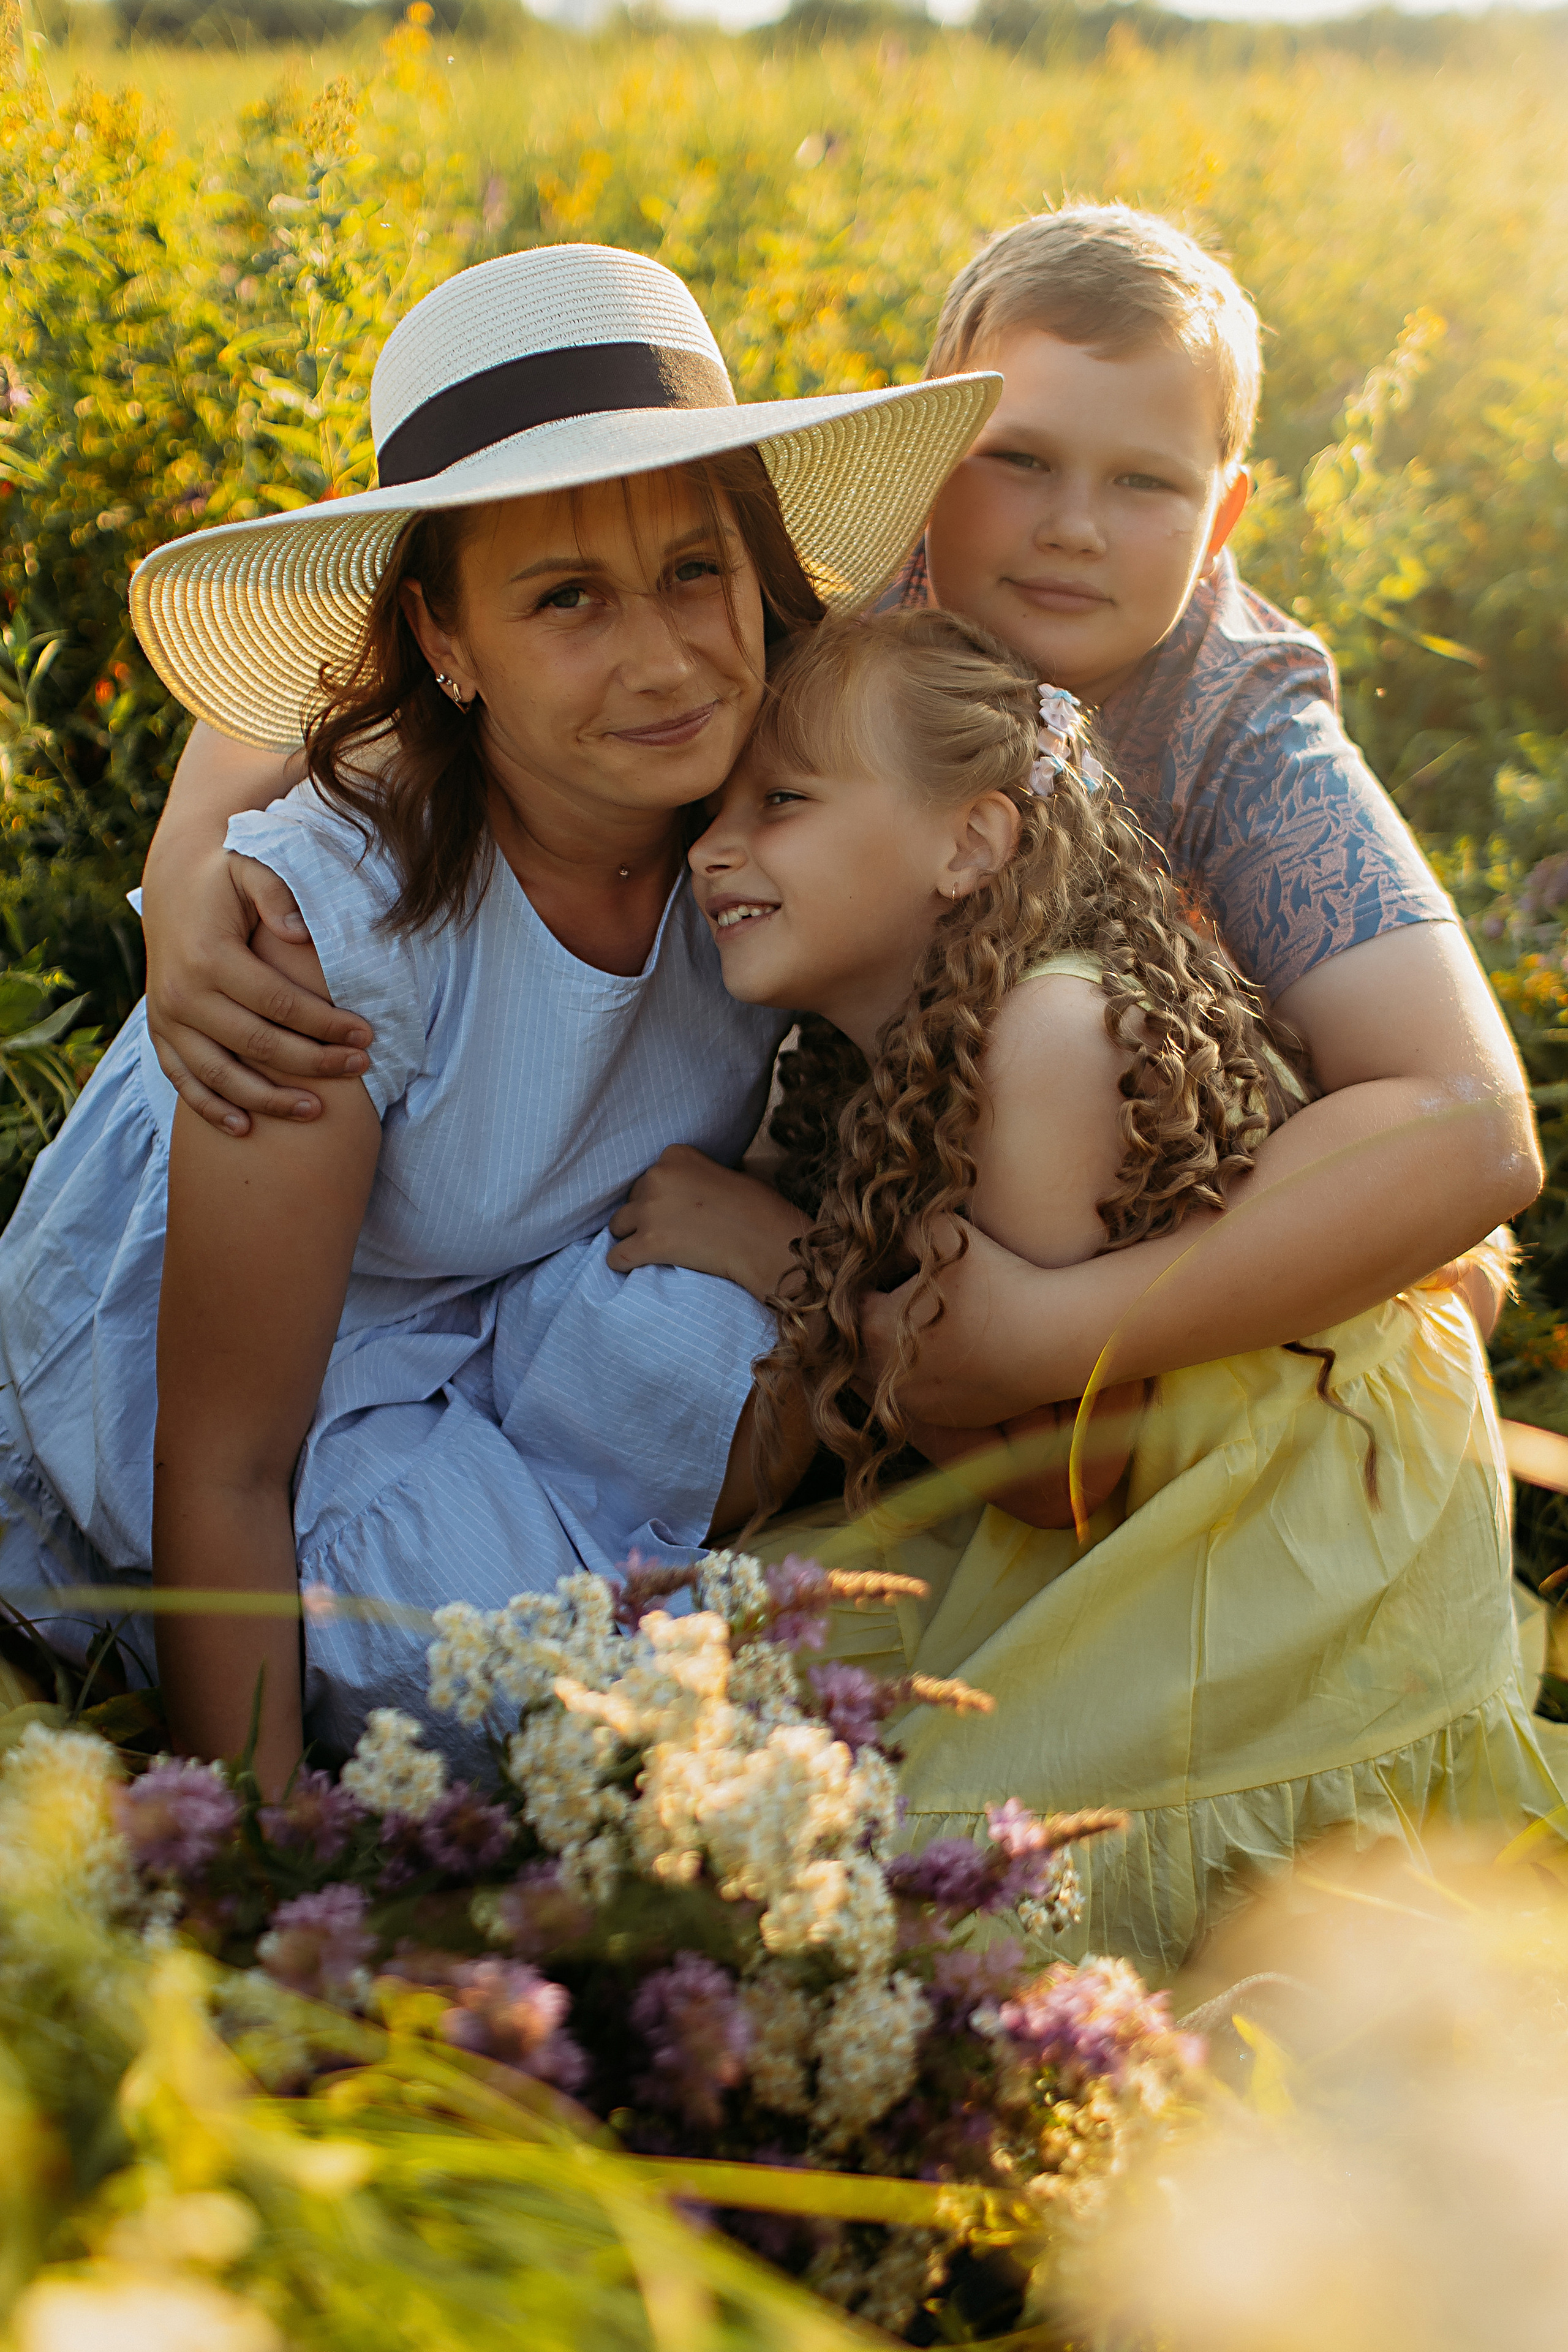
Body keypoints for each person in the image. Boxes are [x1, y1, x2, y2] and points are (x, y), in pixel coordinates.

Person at [141, 206, 1539, 1456]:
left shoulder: (1235, 713)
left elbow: (1474, 1128)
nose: (1070, 529)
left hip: (1134, 1229)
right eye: (1019, 459)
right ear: (929, 452)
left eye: (1144, 486)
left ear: (1222, 517)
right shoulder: (826, 609)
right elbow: (455, 612)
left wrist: (1040, 1337)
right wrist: (193, 847)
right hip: (873, 1175)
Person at [0, 243, 995, 1793]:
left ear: (758, 570)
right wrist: (250, 1848)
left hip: (495, 1270)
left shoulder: (774, 806)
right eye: (565, 601)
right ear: (443, 646)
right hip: (243, 1375)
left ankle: (536, 1555)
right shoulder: (321, 943)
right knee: (464, 1661)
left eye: (692, 570)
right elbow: (226, 1463)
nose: (665, 659)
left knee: (717, 1342)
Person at [613, 607, 1565, 1978]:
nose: (713, 847)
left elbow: (1048, 1482)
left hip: (1244, 1541)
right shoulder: (877, 1038)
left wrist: (775, 1252)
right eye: (718, 808)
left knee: (910, 1850)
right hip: (1134, 1499)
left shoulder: (1042, 1039)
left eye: (782, 801)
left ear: (969, 842)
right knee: (695, 1677)